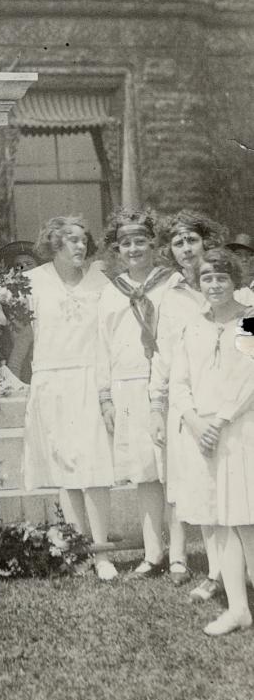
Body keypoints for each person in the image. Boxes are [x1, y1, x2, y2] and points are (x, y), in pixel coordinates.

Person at [20, 215, 118, 580]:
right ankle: (78, 552)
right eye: (71, 240)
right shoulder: (31, 282)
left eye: (83, 240)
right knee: (66, 470)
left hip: (90, 378)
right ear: (54, 244)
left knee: (94, 467)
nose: (80, 246)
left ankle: (102, 553)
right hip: (51, 381)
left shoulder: (101, 281)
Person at [97, 209, 184, 582]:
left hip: (167, 385)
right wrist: (105, 397)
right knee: (145, 474)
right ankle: (153, 554)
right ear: (118, 249)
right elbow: (102, 347)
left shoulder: (172, 283)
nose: (133, 249)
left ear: (153, 244)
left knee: (174, 472)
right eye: (126, 243)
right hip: (127, 387)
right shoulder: (109, 292)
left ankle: (179, 555)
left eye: (140, 241)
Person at [172, 249, 254, 636]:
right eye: (207, 278)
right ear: (197, 284)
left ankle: (243, 598)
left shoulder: (250, 319)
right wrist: (193, 420)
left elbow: (251, 380)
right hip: (203, 434)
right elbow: (180, 380)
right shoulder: (193, 325)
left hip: (241, 429)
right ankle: (238, 608)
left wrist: (221, 419)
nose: (215, 284)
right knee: (222, 521)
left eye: (222, 277)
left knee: (246, 519)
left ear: (234, 280)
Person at [153, 209, 227, 600]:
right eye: (178, 242)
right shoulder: (172, 296)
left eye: (192, 240)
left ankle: (235, 568)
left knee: (234, 489)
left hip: (232, 407)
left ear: (206, 242)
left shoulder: (232, 286)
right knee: (201, 490)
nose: (185, 248)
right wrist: (157, 408)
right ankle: (217, 572)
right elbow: (164, 358)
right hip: (191, 409)